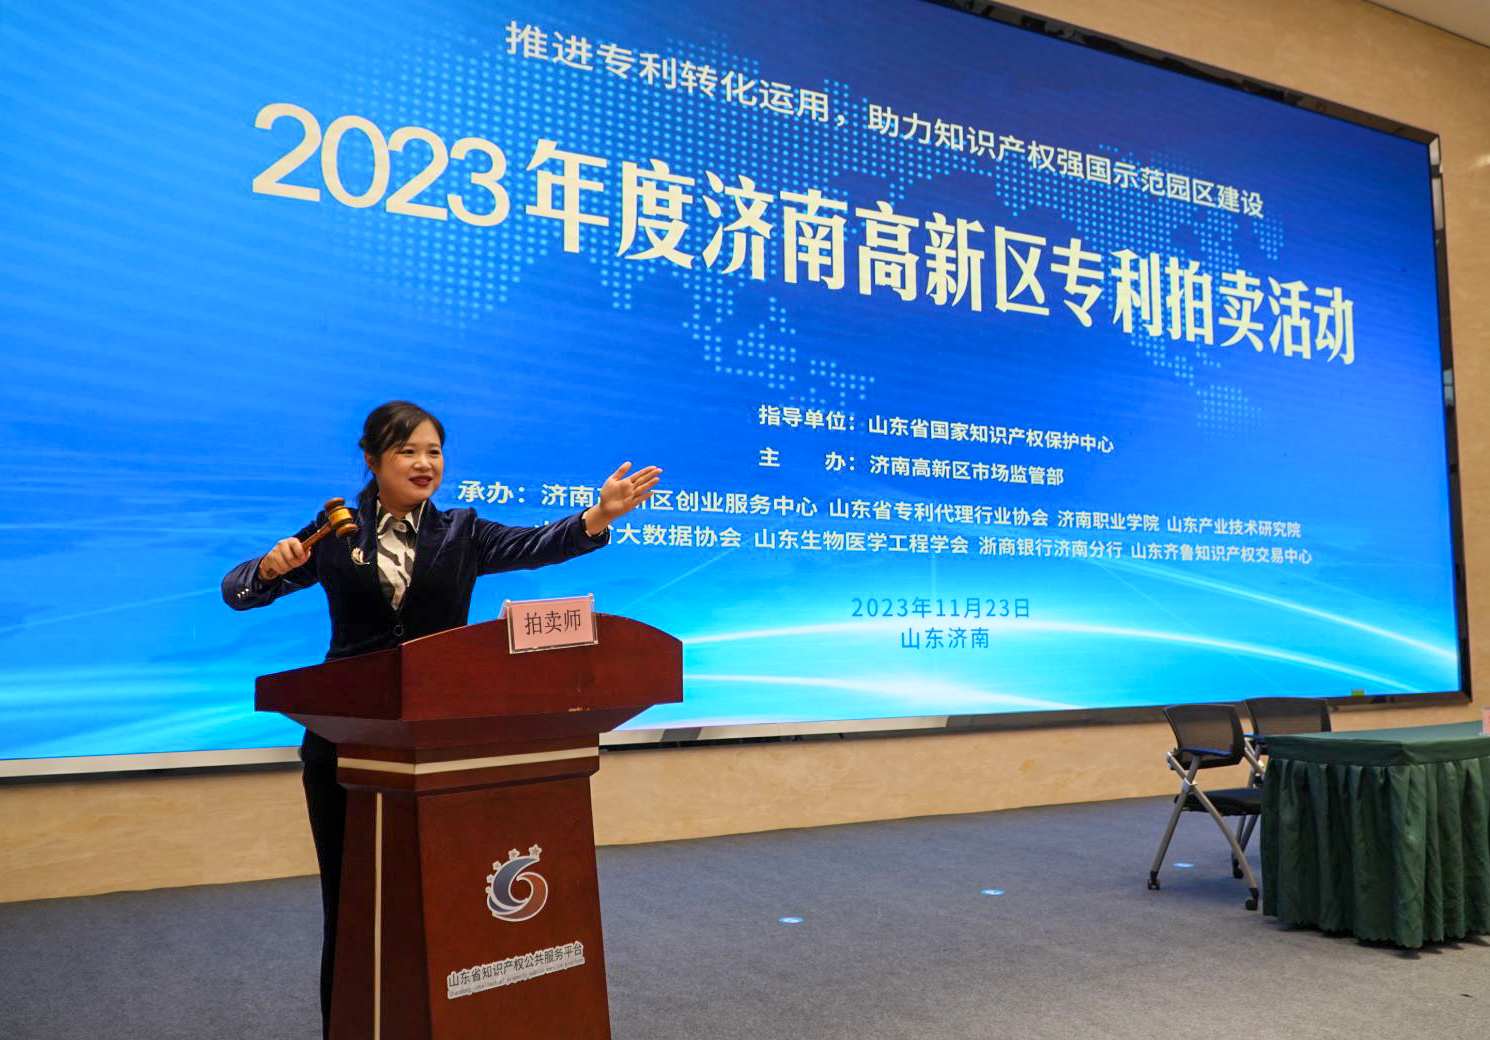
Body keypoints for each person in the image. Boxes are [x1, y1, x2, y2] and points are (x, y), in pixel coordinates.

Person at [221, 400, 660, 1039]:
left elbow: (535, 545)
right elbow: (238, 593)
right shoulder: (334, 532)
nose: (424, 463)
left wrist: (598, 516)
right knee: (352, 899)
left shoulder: (462, 532)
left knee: (446, 899)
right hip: (349, 745)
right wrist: (267, 568)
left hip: (440, 747)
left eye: (434, 451)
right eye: (408, 451)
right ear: (372, 460)